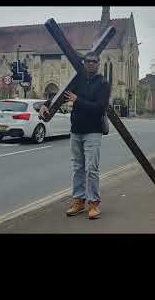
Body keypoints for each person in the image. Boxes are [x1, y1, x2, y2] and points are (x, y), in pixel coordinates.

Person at [39, 52, 111, 219]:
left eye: (94, 61)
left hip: (93, 132)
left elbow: (100, 108)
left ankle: (93, 203)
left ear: (98, 64)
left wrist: (77, 100)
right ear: (84, 63)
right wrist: (44, 105)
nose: (91, 64)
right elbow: (61, 97)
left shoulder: (103, 84)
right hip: (76, 131)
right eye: (88, 61)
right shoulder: (77, 81)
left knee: (91, 168)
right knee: (78, 168)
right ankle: (78, 201)